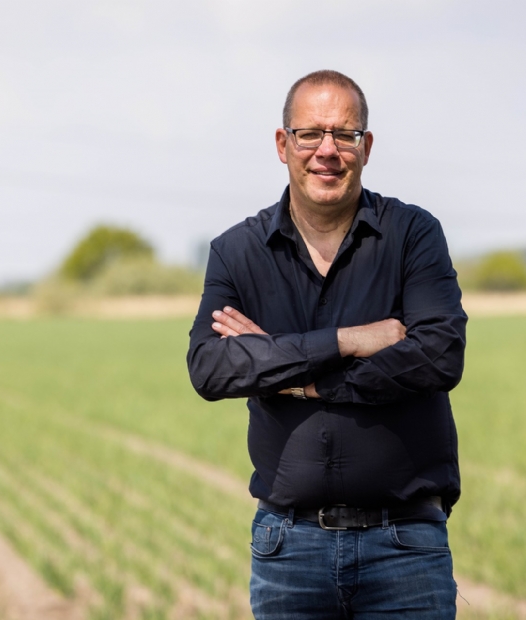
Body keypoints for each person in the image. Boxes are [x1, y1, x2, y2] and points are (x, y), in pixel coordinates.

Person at [186, 69, 466, 619]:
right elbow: (210, 368)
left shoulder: (413, 234)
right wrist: (347, 340)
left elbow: (439, 354)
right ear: (282, 144)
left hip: (405, 545)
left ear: (367, 147)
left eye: (345, 134)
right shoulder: (237, 252)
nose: (328, 151)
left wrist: (298, 375)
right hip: (288, 548)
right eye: (311, 134)